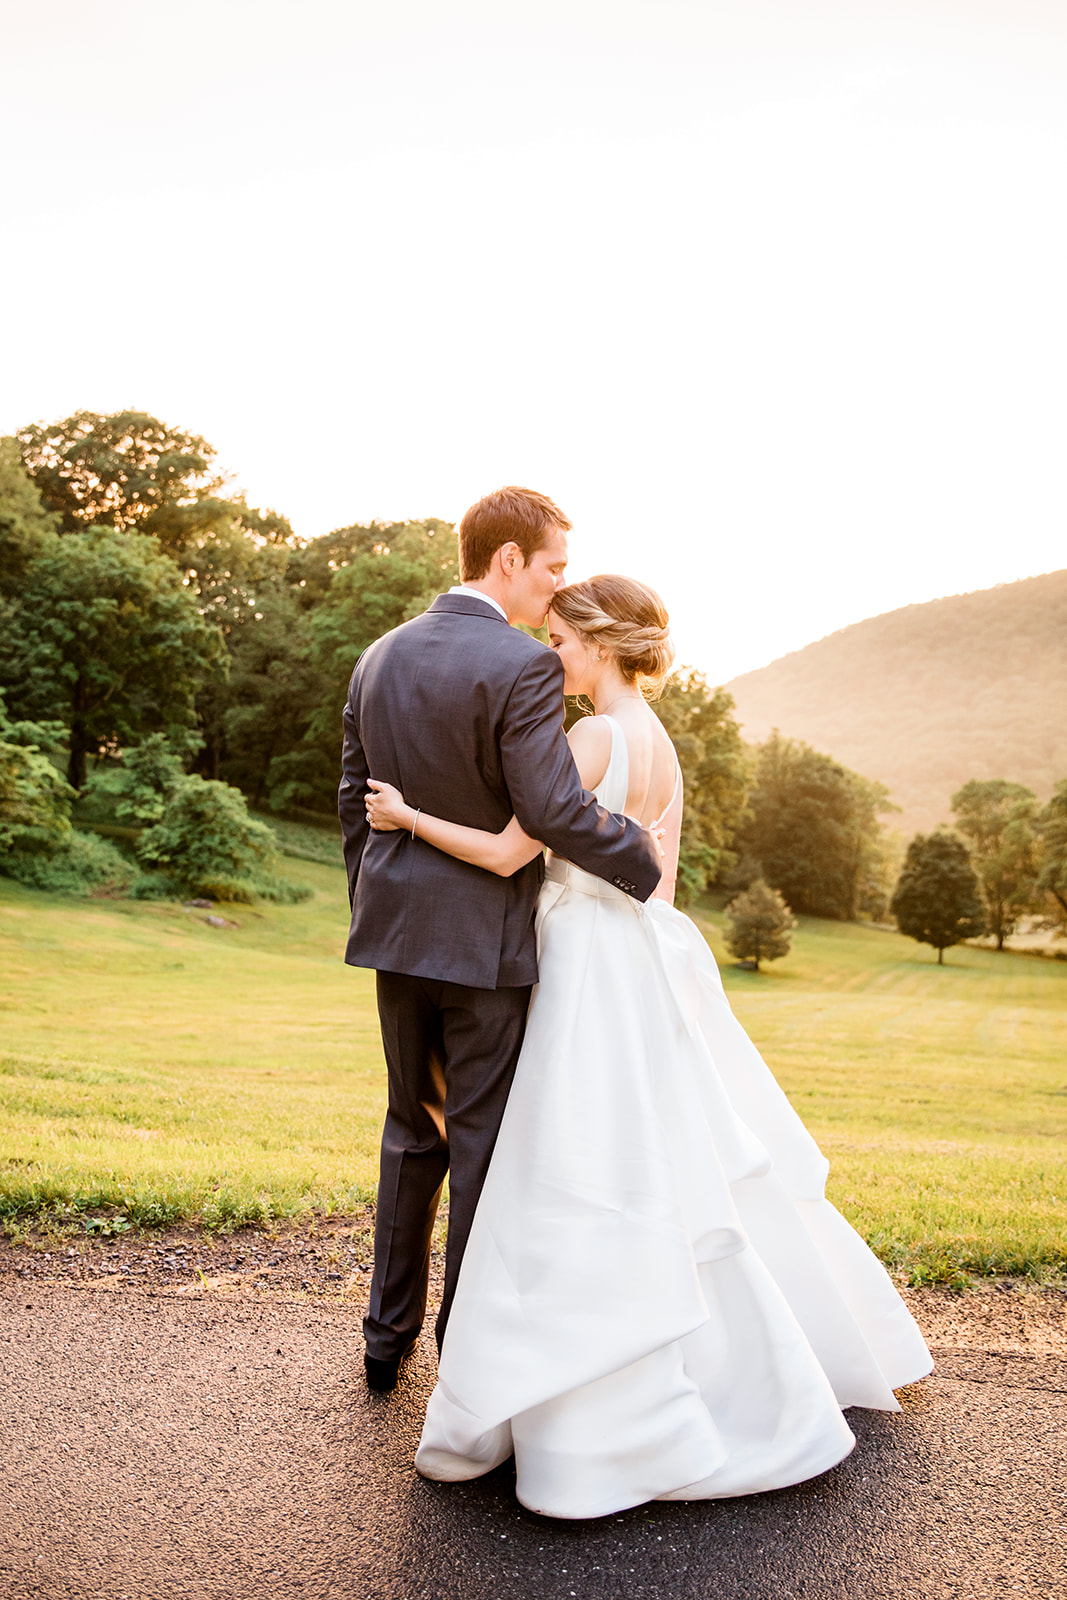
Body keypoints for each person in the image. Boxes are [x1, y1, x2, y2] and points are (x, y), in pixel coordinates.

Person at [364, 573, 933, 1520]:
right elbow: (654, 886)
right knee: (656, 1157)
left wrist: (407, 817)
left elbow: (511, 854)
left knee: (573, 1160)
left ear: (597, 644)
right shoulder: (662, 745)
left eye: (562, 642)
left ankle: (578, 1380)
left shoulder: (590, 737)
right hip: (635, 953)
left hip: (583, 961)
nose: (550, 657)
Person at [338, 490, 661, 1395]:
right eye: (553, 565)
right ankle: (463, 1347)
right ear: (509, 558)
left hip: (397, 935)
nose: (558, 584)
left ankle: (382, 1338)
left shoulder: (379, 654)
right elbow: (554, 812)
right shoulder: (520, 668)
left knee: (410, 1133)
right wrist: (643, 858)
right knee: (479, 1141)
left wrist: (376, 897)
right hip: (485, 944)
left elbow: (350, 796)